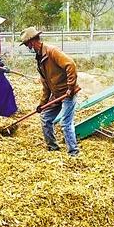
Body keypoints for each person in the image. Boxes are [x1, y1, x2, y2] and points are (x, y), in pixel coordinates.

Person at [20, 26, 81, 157]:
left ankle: (73, 153)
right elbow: (46, 85)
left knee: (65, 123)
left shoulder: (51, 51)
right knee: (45, 118)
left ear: (33, 41)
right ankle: (53, 148)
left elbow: (70, 65)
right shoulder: (40, 59)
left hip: (68, 94)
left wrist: (70, 87)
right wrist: (42, 104)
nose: (27, 47)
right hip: (57, 94)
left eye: (27, 44)